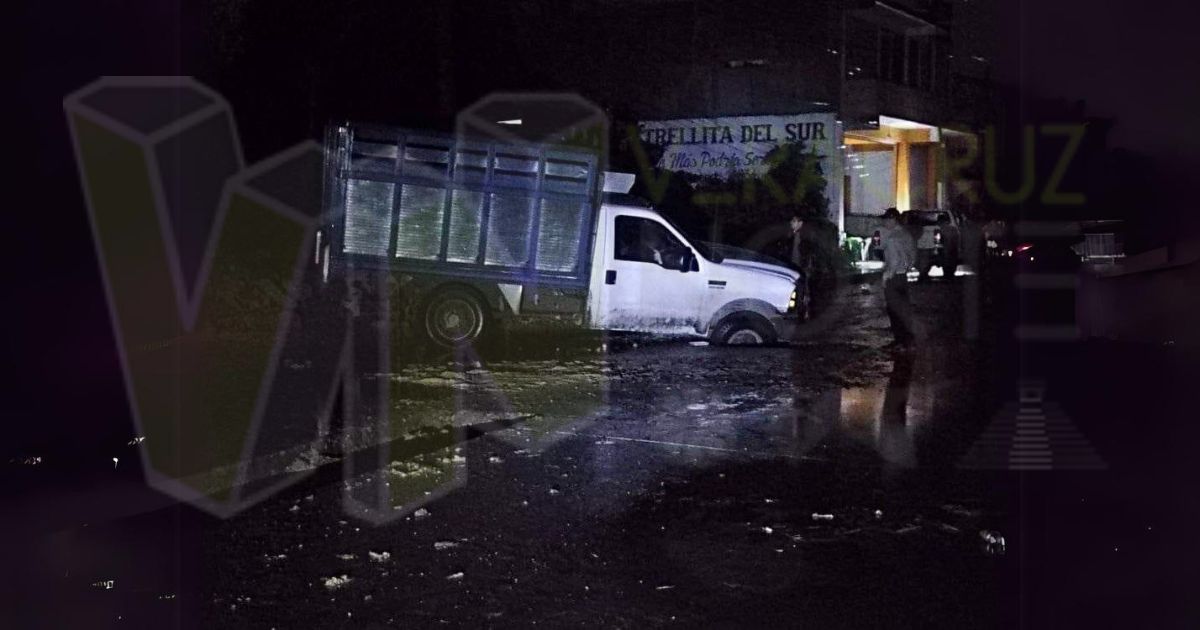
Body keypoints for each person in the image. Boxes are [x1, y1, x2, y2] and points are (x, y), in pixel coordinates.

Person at [789, 211, 839, 320]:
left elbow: (806, 253)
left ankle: (807, 314)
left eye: (794, 221)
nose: (791, 223)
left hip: (804, 269)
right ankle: (805, 313)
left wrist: (807, 266)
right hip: (799, 269)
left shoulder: (804, 236)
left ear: (800, 223)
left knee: (806, 292)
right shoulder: (795, 235)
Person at [880, 207, 917, 347]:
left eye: (887, 219)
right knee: (903, 309)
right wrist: (906, 267)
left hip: (894, 278)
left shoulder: (892, 239)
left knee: (894, 310)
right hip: (903, 277)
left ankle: (900, 340)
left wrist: (886, 276)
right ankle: (907, 338)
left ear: (893, 220)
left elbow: (894, 261)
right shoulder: (906, 235)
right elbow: (912, 257)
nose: (884, 222)